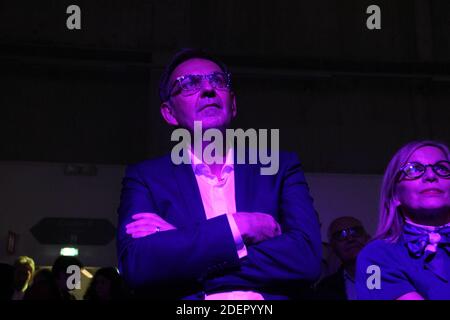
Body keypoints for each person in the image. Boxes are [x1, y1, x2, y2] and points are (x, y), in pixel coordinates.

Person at [116, 48, 322, 299]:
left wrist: (181, 245)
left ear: (233, 104)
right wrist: (239, 226)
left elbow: (306, 259)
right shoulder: (145, 178)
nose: (208, 89)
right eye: (189, 84)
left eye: (218, 80)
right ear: (169, 113)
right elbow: (138, 266)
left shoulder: (279, 167)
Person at [356, 140, 450, 300]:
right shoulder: (376, 256)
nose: (431, 175)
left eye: (442, 168)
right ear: (395, 195)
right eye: (413, 169)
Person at [315, 217, 370, 300]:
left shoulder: (393, 273)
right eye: (340, 235)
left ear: (367, 238)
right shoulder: (324, 290)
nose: (350, 239)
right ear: (333, 247)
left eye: (356, 231)